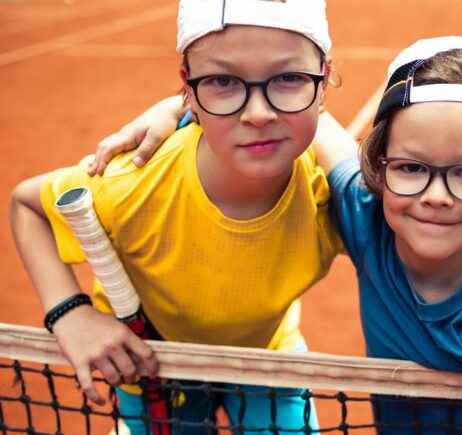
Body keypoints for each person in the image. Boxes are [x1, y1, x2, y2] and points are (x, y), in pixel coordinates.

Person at [85, 33, 462, 433]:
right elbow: (300, 117)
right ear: (376, 168)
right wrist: (177, 107)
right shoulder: (367, 216)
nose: (436, 195)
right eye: (412, 168)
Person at [10, 0, 341, 433]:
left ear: (325, 77)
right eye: (222, 81)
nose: (258, 114)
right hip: (151, 361)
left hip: (267, 355)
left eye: (290, 78)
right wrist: (69, 312)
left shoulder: (331, 192)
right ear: (187, 85)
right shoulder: (135, 184)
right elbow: (27, 203)